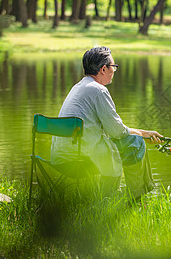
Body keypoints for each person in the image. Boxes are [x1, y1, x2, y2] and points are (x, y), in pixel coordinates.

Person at [50, 46, 163, 198]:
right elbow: (118, 132)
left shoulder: (78, 87)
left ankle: (119, 195)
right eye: (113, 67)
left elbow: (112, 130)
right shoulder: (98, 90)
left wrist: (144, 133)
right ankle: (135, 198)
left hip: (59, 158)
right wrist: (143, 134)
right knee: (135, 143)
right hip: (81, 158)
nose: (114, 71)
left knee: (131, 140)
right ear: (103, 69)